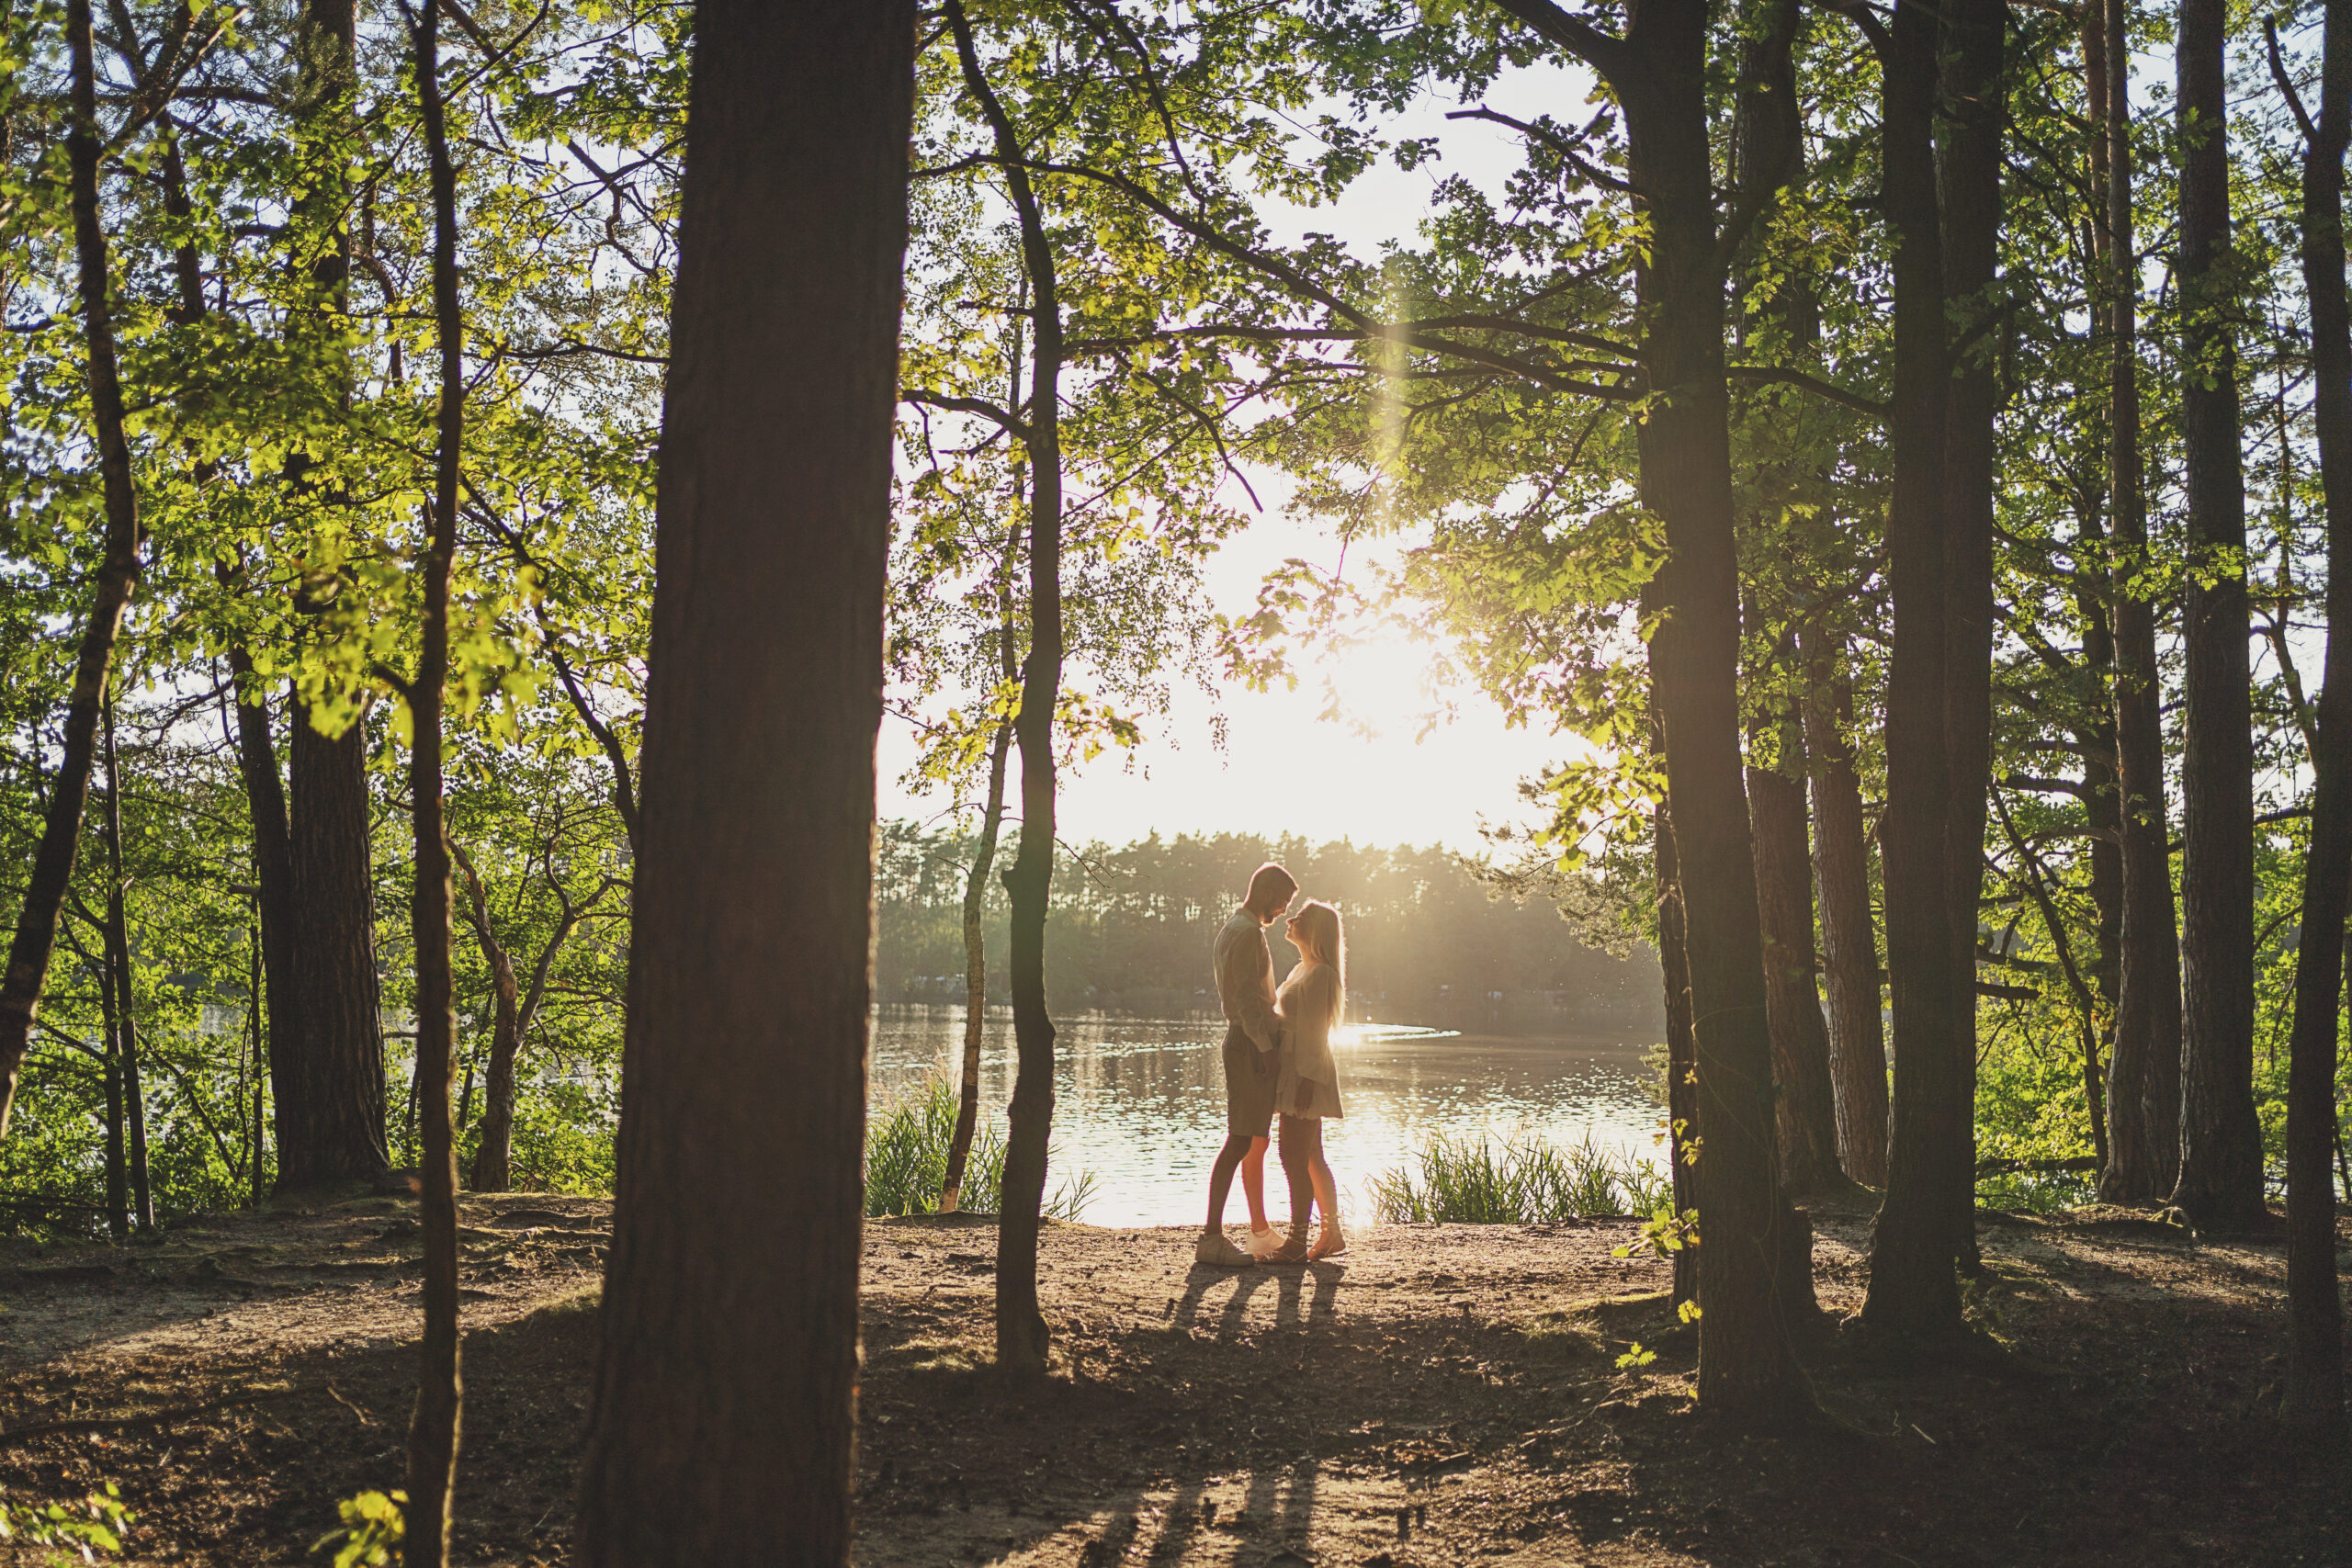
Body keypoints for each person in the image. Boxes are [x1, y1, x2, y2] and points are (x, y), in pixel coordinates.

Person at [1197, 861, 1295, 1267]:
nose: (1284, 911)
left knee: (1252, 1137)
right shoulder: (1247, 933)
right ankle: (1212, 1238)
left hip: (1248, 1041)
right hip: (1249, 1044)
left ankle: (1256, 1230)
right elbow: (1245, 1000)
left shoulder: (1234, 927)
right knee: (1240, 1139)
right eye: (1284, 902)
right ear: (1269, 894)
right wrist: (1266, 1050)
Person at [1274, 899, 1347, 1259]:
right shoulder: (1300, 970)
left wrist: (1305, 1079)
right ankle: (1331, 1233)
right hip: (1295, 1069)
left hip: (1306, 1072)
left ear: (1315, 930)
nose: (1290, 919)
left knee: (1292, 1156)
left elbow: (1316, 1032)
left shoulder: (1320, 973)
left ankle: (1296, 1242)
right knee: (1311, 1156)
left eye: (1299, 918)